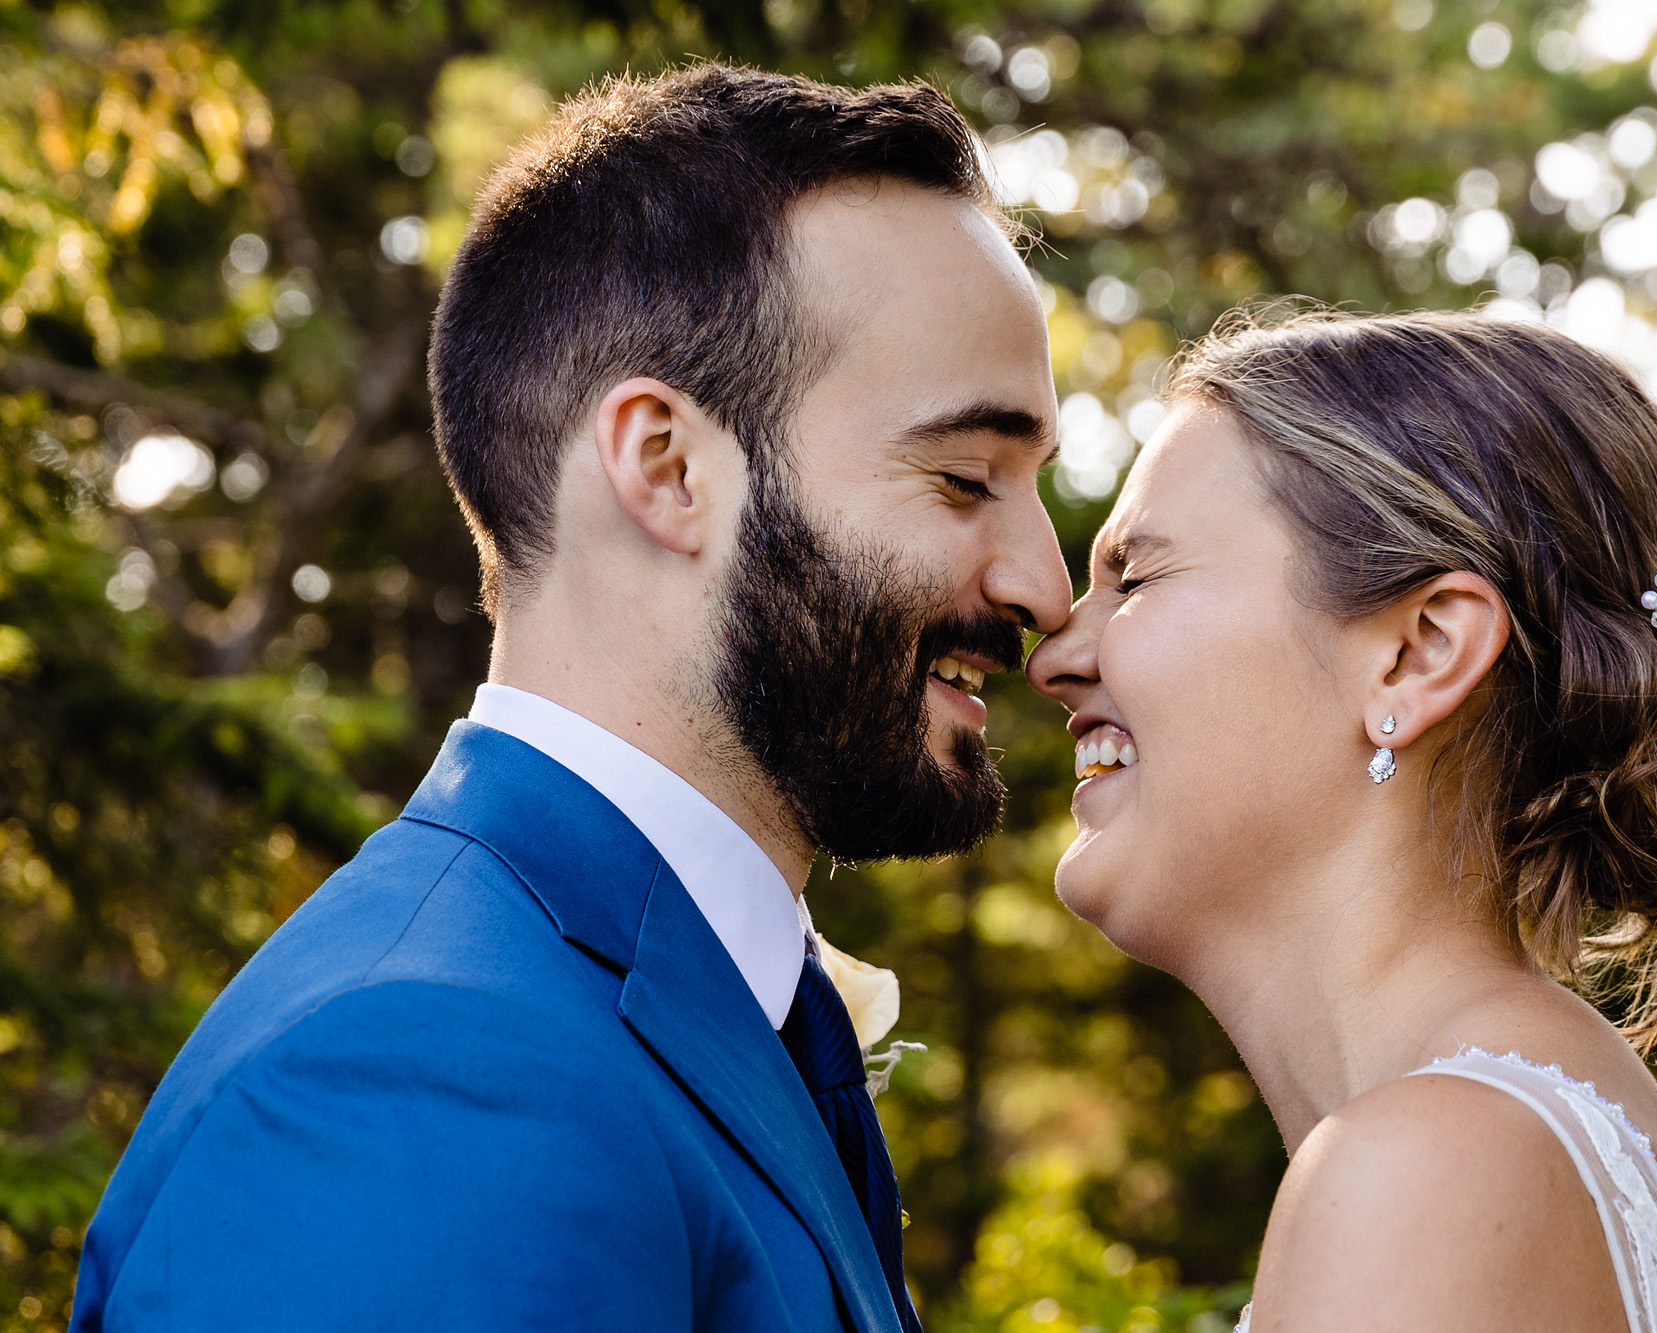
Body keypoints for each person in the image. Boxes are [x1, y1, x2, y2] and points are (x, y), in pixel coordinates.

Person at [70, 64, 1068, 1333]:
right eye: (966, 478)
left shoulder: (687, 1006)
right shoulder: (419, 1077)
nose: (1045, 584)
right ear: (665, 467)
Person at [1028, 308, 1657, 1332]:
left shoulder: (1432, 1172)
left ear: (1418, 652)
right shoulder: (1510, 1137)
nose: (1052, 655)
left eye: (1138, 577)